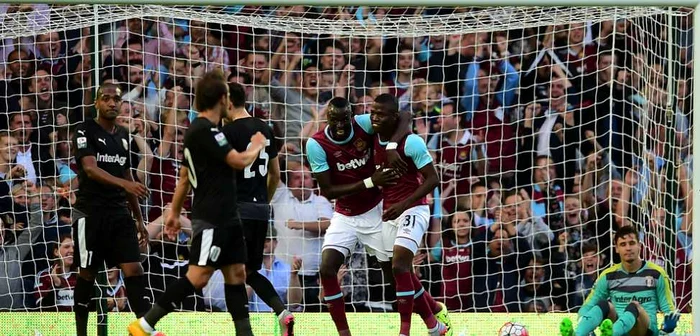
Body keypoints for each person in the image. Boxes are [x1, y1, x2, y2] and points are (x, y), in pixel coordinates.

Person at [129, 70, 267, 336]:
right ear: (223, 98)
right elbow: (238, 161)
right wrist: (256, 145)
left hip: (228, 217)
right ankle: (144, 324)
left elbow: (183, 178)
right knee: (198, 277)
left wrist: (174, 212)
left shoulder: (205, 130)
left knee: (236, 274)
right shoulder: (205, 130)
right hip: (213, 217)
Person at [307, 96, 411, 336]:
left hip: (375, 211)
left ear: (351, 117)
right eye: (335, 121)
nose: (341, 125)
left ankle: (420, 319)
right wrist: (369, 181)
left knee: (396, 274)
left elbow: (404, 117)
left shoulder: (363, 123)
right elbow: (328, 191)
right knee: (326, 269)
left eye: (345, 120)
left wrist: (393, 146)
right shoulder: (317, 144)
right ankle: (344, 333)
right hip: (345, 216)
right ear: (327, 119)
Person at [71, 83, 151, 336]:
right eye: (106, 99)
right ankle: (81, 332)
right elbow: (91, 169)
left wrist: (139, 220)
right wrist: (126, 183)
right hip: (90, 213)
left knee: (134, 269)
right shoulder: (84, 130)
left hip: (119, 214)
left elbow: (129, 178)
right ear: (97, 102)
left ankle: (144, 328)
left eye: (116, 99)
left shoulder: (125, 136)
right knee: (87, 273)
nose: (112, 103)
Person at [370, 93, 448, 336]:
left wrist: (404, 205)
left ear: (392, 118)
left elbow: (433, 179)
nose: (374, 117)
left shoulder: (412, 142)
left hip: (413, 208)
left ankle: (405, 332)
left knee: (401, 265)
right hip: (388, 211)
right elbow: (404, 114)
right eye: (373, 113)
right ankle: (435, 318)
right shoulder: (371, 134)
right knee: (397, 273)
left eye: (380, 115)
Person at [221, 82, 295, 335]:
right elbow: (275, 174)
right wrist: (264, 199)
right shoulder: (265, 129)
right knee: (250, 270)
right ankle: (282, 312)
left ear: (228, 102)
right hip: (260, 210)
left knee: (233, 273)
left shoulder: (228, 132)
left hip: (236, 209)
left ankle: (243, 330)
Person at [559, 225, 680, 336]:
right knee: (604, 304)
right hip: (620, 330)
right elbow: (588, 306)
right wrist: (583, 323)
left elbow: (668, 309)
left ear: (639, 246)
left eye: (632, 243)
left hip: (644, 332)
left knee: (634, 306)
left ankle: (611, 333)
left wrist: (667, 328)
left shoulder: (656, 273)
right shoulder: (608, 275)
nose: (628, 248)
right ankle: (578, 334)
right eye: (623, 244)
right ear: (616, 249)